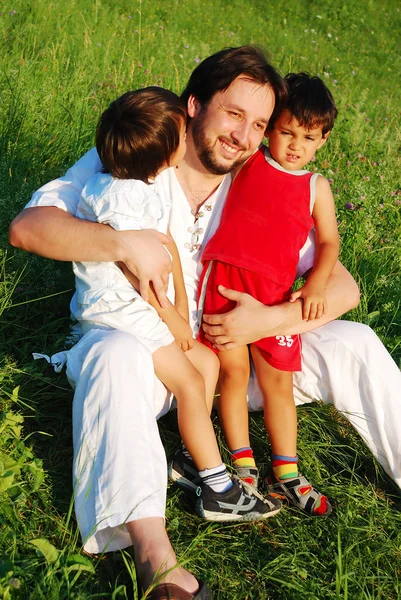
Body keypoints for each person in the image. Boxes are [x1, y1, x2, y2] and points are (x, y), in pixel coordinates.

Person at [9, 46, 401, 599]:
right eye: (234, 114)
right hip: (149, 356)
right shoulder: (140, 154)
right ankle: (158, 563)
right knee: (111, 355)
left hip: (237, 358)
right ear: (193, 105)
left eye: (260, 124)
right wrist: (122, 243)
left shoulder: (260, 181)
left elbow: (343, 287)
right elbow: (29, 227)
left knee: (354, 340)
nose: (245, 137)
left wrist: (267, 319)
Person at [74, 85, 280, 524]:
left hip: (144, 311)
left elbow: (163, 247)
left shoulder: (141, 185)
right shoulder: (119, 195)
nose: (187, 141)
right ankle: (218, 486)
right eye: (180, 136)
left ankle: (189, 458)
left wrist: (181, 320)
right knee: (190, 380)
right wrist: (176, 324)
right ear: (163, 149)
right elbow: (142, 276)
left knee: (206, 363)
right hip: (123, 314)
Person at [196, 73, 340, 517]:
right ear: (270, 128)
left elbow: (330, 242)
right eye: (286, 132)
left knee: (279, 381)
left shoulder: (315, 186)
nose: (295, 145)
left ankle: (288, 472)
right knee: (233, 373)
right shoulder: (250, 162)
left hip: (275, 296)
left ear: (323, 140)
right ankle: (243, 466)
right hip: (226, 283)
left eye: (308, 138)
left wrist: (315, 283)